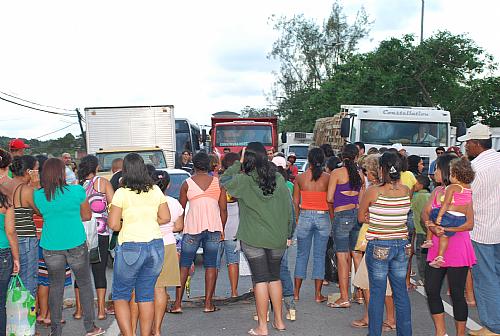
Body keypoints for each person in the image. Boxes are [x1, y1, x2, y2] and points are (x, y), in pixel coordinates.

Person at [221, 142, 292, 336]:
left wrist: (238, 163)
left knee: (260, 280)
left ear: (248, 158)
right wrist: (288, 234)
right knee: (275, 278)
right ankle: (279, 321)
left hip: (253, 237)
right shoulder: (278, 178)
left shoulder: (243, 180)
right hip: (277, 237)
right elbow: (289, 210)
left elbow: (224, 179)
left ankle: (262, 326)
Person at [33, 158, 104, 336]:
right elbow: (87, 216)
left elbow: (43, 212)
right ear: (62, 173)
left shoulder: (39, 195)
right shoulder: (77, 191)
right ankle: (90, 327)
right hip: (75, 243)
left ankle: (56, 331)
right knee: (85, 284)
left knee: (55, 287)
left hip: (50, 245)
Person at [108, 153, 170, 336]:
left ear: (124, 171)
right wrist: (148, 221)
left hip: (131, 247)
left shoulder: (121, 193)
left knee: (121, 295)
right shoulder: (155, 190)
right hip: (155, 247)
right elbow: (165, 217)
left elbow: (113, 224)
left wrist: (125, 223)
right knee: (145, 295)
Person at [422, 154, 476, 336]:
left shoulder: (463, 193)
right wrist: (431, 225)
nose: (434, 172)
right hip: (436, 246)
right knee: (431, 289)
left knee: (457, 294)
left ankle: (460, 334)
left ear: (447, 171)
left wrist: (445, 227)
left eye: (436, 168)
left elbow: (470, 223)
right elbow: (425, 214)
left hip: (458, 247)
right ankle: (441, 332)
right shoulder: (437, 192)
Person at [358, 152, 412, 336]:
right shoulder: (406, 190)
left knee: (377, 293)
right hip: (401, 245)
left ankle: (374, 333)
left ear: (382, 169)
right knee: (400, 293)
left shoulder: (373, 191)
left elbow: (361, 216)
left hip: (380, 244)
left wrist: (375, 218)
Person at [170, 151, 227, 314]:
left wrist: (178, 226)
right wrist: (221, 228)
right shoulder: (218, 184)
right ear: (209, 165)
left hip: (192, 228)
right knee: (211, 266)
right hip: (213, 228)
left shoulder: (187, 183)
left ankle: (177, 304)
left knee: (184, 265)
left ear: (194, 165)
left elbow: (180, 209)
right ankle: (208, 304)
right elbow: (223, 210)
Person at [458, 123, 500, 336]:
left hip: (482, 230)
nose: (465, 146)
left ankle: (493, 326)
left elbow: (466, 201)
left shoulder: (475, 169)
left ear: (476, 144)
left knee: (485, 279)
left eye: (467, 142)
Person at [73, 155, 114, 321]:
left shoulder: (76, 186)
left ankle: (79, 310)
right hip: (101, 231)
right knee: (99, 271)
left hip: (80, 232)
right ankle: (102, 311)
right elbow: (112, 205)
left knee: (80, 272)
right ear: (96, 167)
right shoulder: (102, 183)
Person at [327, 144, 364, 308]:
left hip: (342, 216)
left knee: (342, 258)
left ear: (342, 156)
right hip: (357, 216)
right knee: (357, 256)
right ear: (357, 157)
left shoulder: (336, 173)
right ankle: (360, 294)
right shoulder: (360, 174)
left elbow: (329, 197)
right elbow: (361, 201)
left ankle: (344, 297)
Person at [293, 148, 331, 303]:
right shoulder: (328, 178)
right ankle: (317, 294)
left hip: (305, 216)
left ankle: (296, 293)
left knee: (301, 255)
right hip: (323, 216)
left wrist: (296, 219)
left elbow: (295, 201)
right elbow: (330, 200)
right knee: (319, 256)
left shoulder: (300, 178)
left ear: (308, 160)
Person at [150, 170, 183, 336]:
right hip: (167, 244)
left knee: (145, 289)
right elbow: (179, 226)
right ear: (168, 185)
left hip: (147, 243)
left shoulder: (146, 201)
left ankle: (146, 327)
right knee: (160, 289)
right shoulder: (173, 202)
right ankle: (157, 329)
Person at [425, 158, 474, 268]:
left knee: (434, 214)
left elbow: (446, 204)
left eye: (437, 169)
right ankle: (440, 256)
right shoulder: (468, 188)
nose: (434, 172)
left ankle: (429, 240)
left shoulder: (451, 188)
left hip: (450, 224)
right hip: (460, 220)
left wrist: (438, 220)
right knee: (445, 236)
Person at [9, 155, 39, 297]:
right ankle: (26, 317)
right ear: (29, 171)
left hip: (8, 239)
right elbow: (40, 210)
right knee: (28, 281)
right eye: (36, 169)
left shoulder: (5, 185)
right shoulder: (26, 190)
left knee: (11, 280)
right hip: (25, 238)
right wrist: (36, 186)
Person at [217, 152, 241, 298]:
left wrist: (221, 227)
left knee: (214, 262)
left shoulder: (219, 182)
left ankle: (211, 292)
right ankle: (234, 291)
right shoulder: (241, 182)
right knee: (233, 261)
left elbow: (222, 208)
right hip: (236, 225)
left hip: (220, 224)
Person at [0, 188, 20, 336]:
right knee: (1, 302)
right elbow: (10, 232)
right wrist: (16, 258)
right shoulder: (5, 204)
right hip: (3, 253)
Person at [411, 175, 431, 283]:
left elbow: (410, 208)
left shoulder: (417, 196)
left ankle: (423, 278)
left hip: (420, 230)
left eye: (415, 183)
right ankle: (430, 276)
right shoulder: (430, 195)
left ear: (420, 185)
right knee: (429, 255)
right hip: (430, 231)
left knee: (421, 256)